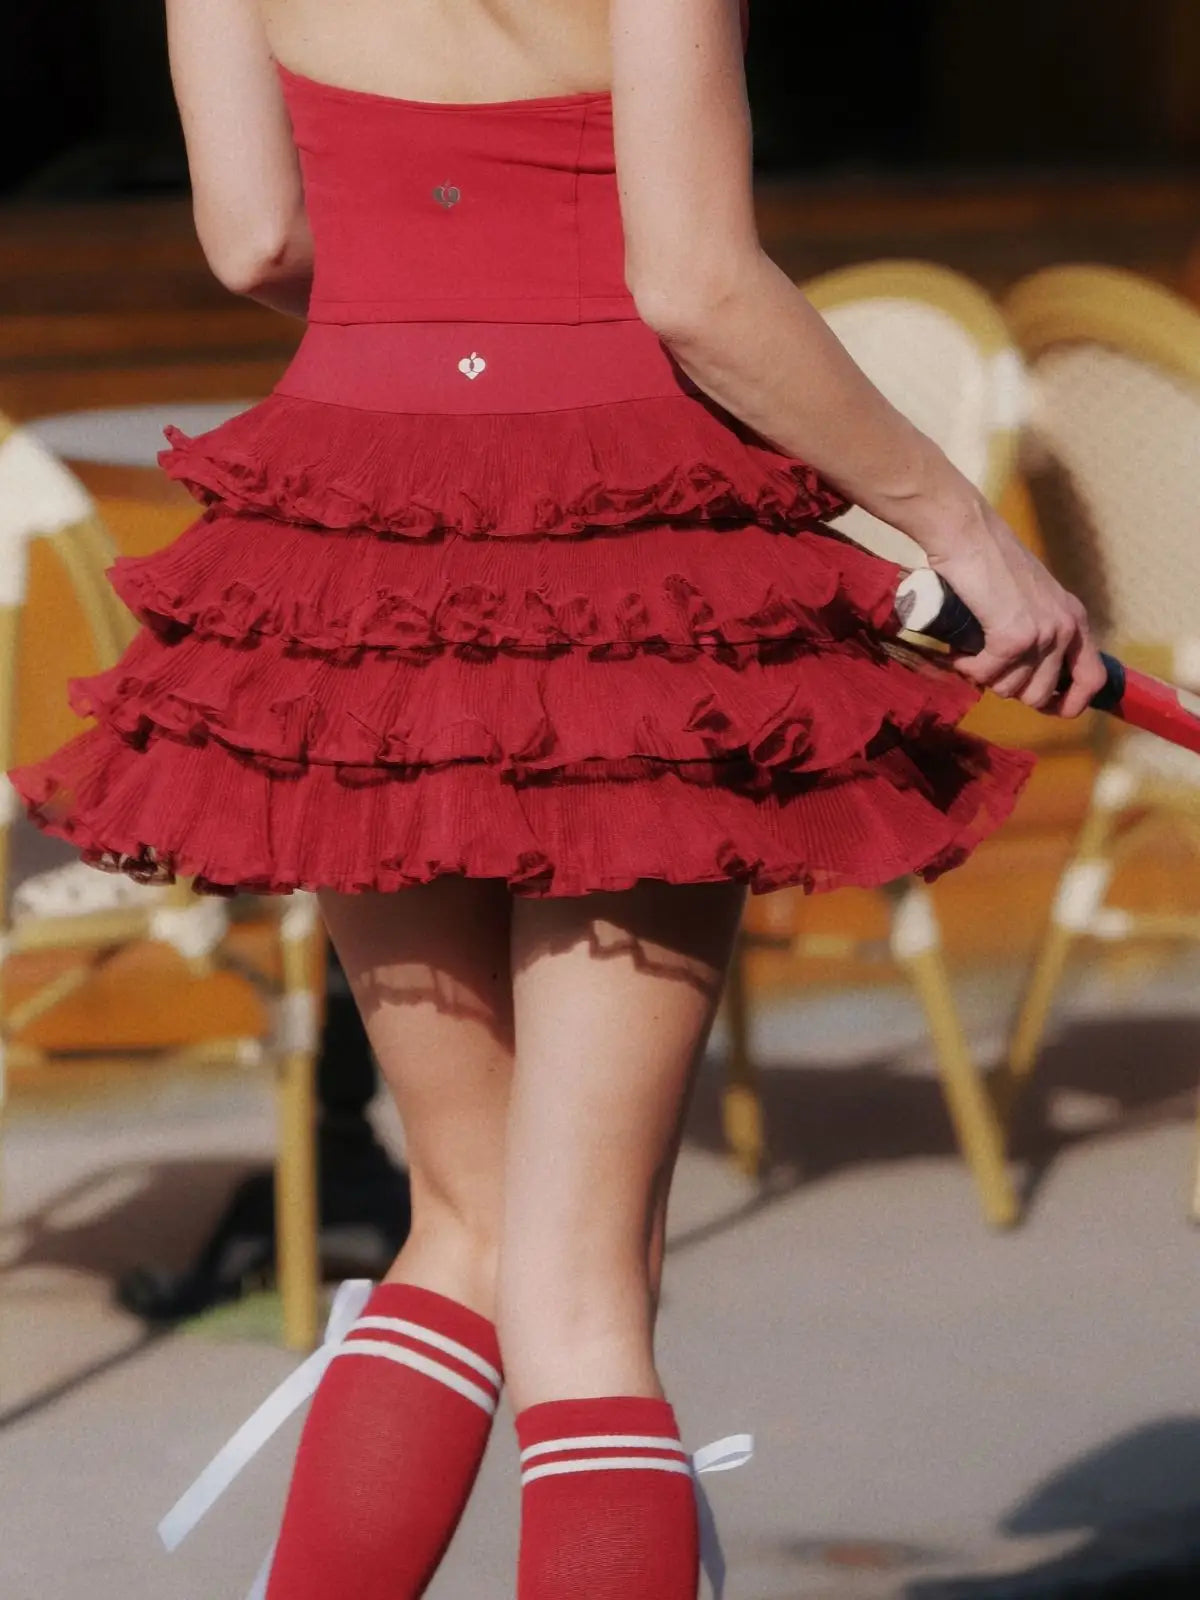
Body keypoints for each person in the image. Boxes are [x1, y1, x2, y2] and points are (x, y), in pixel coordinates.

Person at [11, 1, 1107, 1595]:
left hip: (362, 545)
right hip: (618, 562)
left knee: (459, 1217)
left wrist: (432, 312)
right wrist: (967, 529)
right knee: (584, 1288)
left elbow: (254, 240)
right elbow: (697, 283)